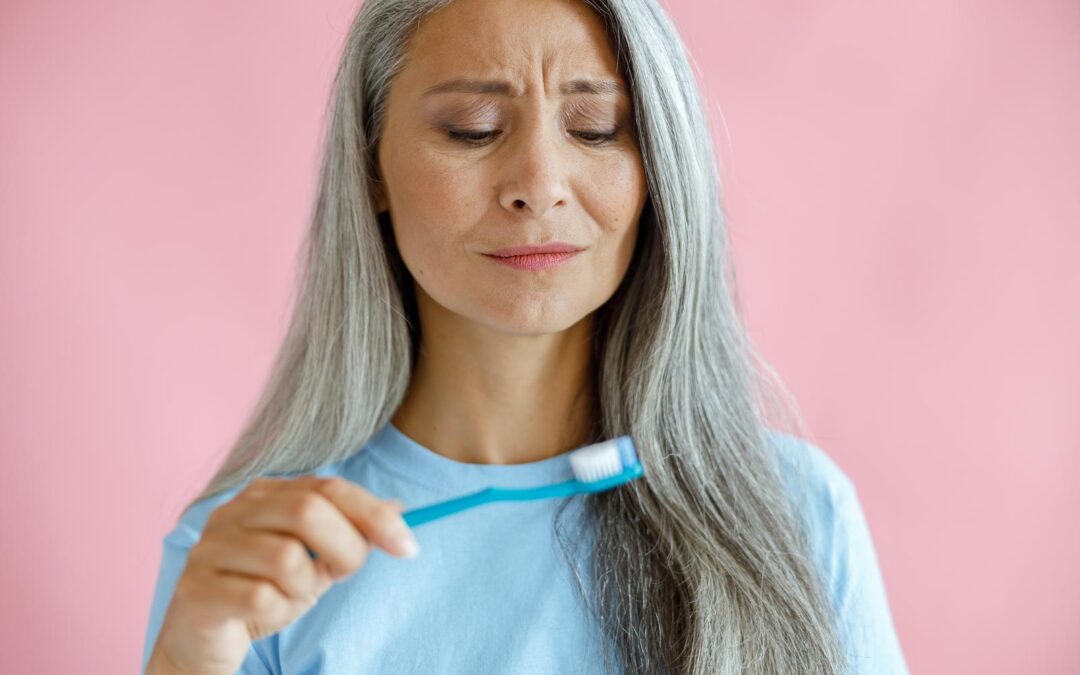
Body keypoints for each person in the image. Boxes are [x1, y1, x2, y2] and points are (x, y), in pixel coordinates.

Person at [142, 0, 909, 673]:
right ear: (371, 162)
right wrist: (184, 662)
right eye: (473, 129)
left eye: (595, 127)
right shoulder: (252, 563)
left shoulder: (799, 514)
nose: (538, 183)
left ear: (657, 169)